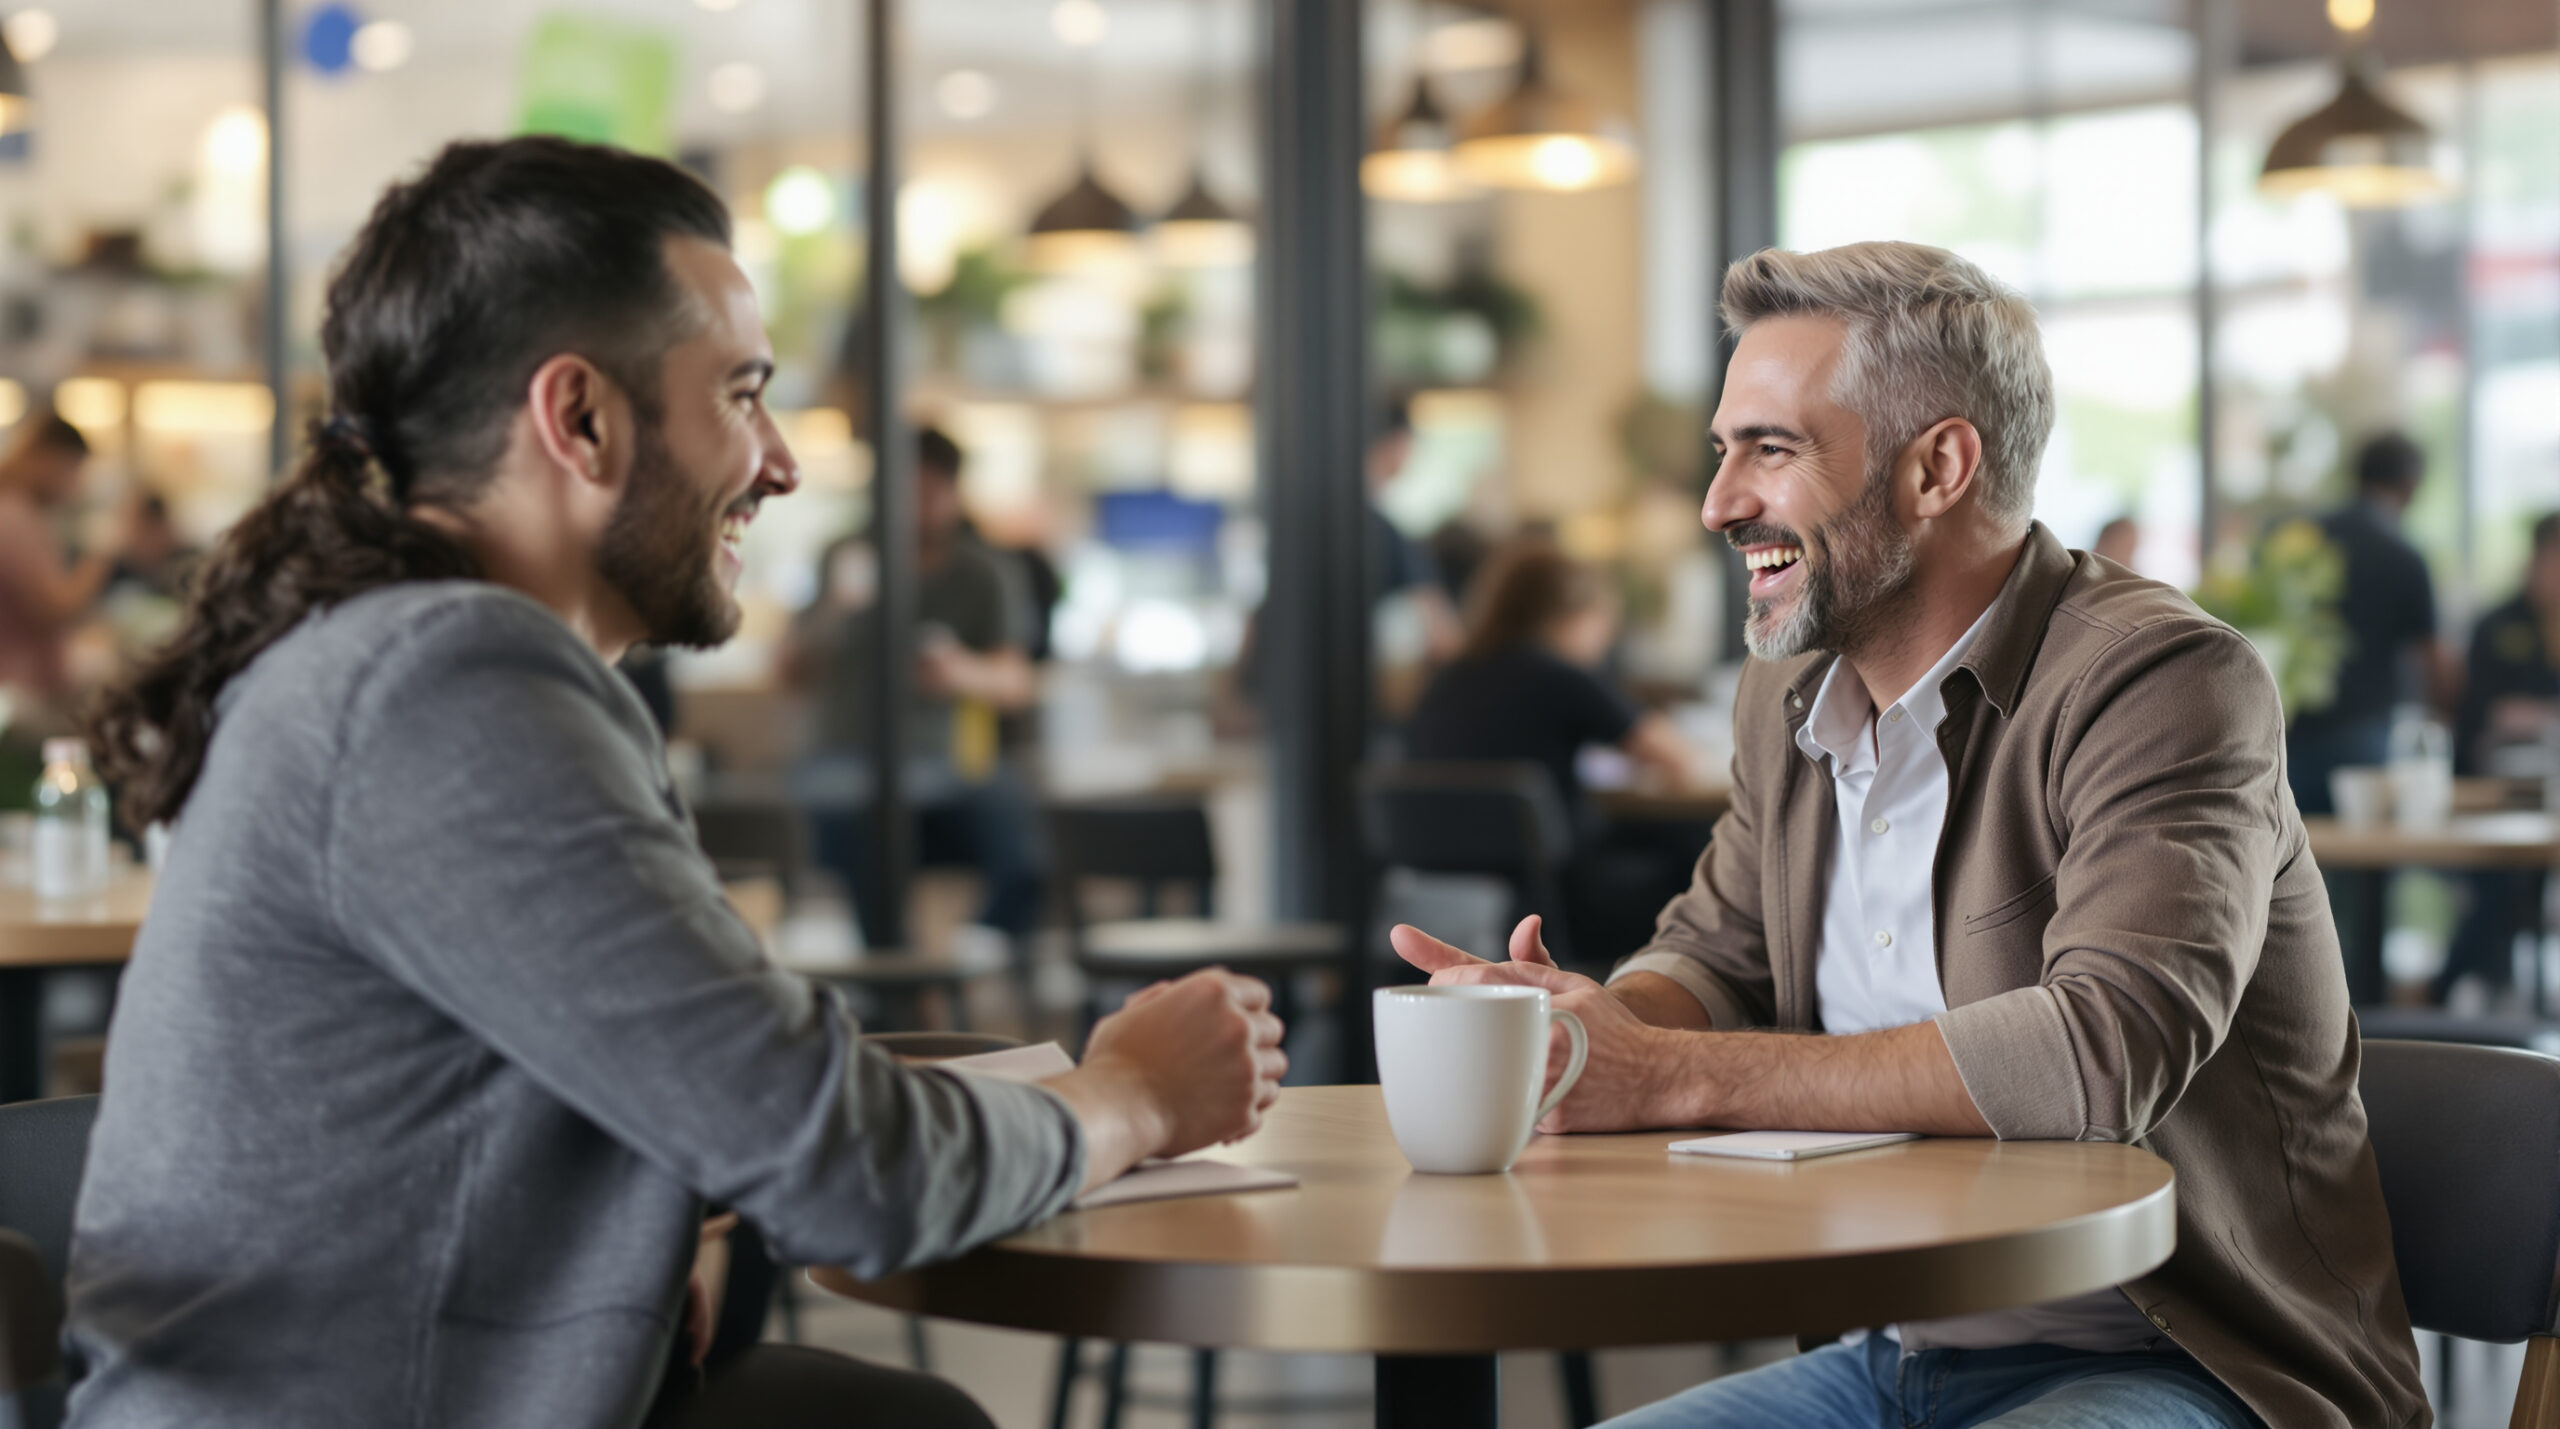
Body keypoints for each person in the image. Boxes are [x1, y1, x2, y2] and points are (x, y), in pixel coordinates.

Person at [66, 136, 1286, 1429]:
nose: (781, 462)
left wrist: (663, 1237)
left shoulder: (408, 657)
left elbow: (689, 1097)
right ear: (580, 418)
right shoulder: (449, 687)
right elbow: (847, 1169)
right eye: (742, 395)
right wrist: (1134, 1095)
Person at [1391, 241, 2423, 1428]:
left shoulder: (2162, 680)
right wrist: (1585, 1029)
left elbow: (2102, 1050)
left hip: (2193, 1364)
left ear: (1937, 467)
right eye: (1724, 451)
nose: (1720, 502)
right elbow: (1717, 953)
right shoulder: (1785, 693)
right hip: (1890, 1356)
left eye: (1770, 450)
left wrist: (1673, 1075)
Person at [787, 426, 1046, 951]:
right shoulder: (844, 556)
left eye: (927, 493)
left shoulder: (982, 573)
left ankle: (969, 957)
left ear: (952, 493)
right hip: (844, 764)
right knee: (861, 823)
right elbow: (789, 673)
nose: (913, 507)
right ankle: (896, 982)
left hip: (947, 769)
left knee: (1026, 845)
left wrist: (959, 672)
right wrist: (837, 605)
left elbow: (1016, 681)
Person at [1406, 537, 1703, 964]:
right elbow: (1675, 757)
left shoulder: (1447, 678)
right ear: (1574, 615)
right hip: (1554, 907)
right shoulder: (1558, 674)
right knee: (1697, 847)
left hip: (1439, 895)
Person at [2284, 431, 2457, 815]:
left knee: (2295, 860)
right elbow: (2433, 656)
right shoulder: (2404, 554)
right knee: (2372, 859)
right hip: (2367, 734)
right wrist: (2445, 727)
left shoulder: (2302, 540)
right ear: (2411, 485)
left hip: (2293, 732)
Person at [2434, 512, 2560, 1004]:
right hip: (2494, 795)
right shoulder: (2499, 624)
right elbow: (2488, 715)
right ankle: (2448, 992)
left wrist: (2538, 716)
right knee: (2502, 883)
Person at [0, 410, 122, 711]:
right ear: (48, 458)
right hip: (20, 694)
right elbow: (54, 611)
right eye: (73, 471)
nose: (75, 485)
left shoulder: (21, 513)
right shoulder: (12, 517)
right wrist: (103, 552)